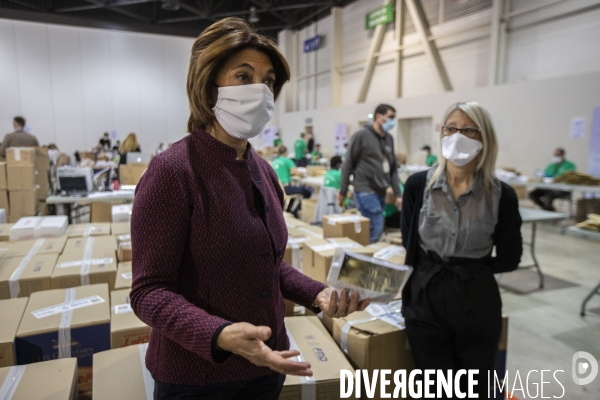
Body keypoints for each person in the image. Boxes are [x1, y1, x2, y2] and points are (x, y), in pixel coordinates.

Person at [130, 17, 369, 400]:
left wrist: (318, 294)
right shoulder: (173, 172)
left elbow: (268, 264)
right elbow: (148, 291)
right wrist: (219, 335)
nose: (261, 90)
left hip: (267, 366)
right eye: (244, 76)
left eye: (269, 81)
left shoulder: (263, 171)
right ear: (209, 89)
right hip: (197, 377)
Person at [401, 101, 523, 398]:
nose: (458, 135)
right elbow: (409, 242)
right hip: (425, 296)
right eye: (451, 128)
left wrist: (475, 269)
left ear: (484, 138)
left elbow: (510, 256)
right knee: (433, 385)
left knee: (475, 386)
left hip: (476, 298)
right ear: (441, 133)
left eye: (469, 129)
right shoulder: (419, 185)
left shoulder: (501, 195)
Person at [339, 104, 402, 243]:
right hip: (365, 189)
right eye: (390, 117)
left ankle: (363, 255)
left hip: (381, 191)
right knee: (377, 226)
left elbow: (392, 169)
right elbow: (348, 164)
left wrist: (398, 194)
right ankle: (367, 260)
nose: (393, 121)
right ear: (379, 117)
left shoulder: (389, 139)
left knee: (370, 228)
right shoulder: (361, 136)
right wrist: (342, 191)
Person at [272, 146, 312, 216]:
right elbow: (296, 172)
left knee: (294, 192)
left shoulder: (274, 161)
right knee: (307, 191)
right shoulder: (287, 161)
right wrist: (303, 174)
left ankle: (290, 210)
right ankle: (295, 212)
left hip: (275, 188)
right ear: (286, 153)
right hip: (285, 188)